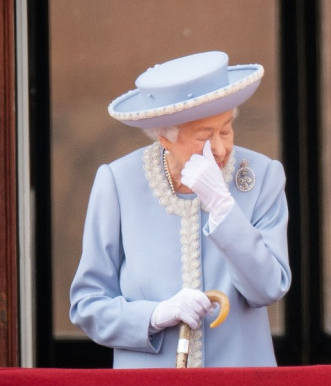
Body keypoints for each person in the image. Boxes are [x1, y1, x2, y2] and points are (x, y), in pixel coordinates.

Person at [70, 51, 291, 368]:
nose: (220, 148)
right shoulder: (118, 182)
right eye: (204, 136)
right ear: (165, 138)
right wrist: (155, 315)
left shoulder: (261, 176)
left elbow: (269, 288)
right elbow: (87, 305)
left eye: (226, 130)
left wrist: (223, 208)